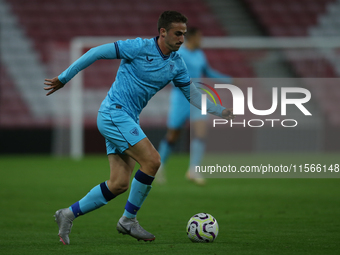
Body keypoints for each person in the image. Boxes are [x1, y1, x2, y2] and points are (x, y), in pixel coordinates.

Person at [44, 11, 233, 245]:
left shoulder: (177, 64)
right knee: (152, 161)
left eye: (184, 34)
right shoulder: (137, 47)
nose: (182, 39)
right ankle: (128, 220)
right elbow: (95, 52)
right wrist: (63, 78)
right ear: (162, 32)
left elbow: (192, 94)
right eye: (177, 33)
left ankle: (67, 214)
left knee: (119, 183)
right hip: (115, 112)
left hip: (127, 118)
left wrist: (219, 110)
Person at [157, 27, 232, 185]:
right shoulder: (179, 54)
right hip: (180, 98)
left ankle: (194, 170)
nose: (201, 41)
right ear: (191, 38)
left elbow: (209, 72)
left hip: (197, 99)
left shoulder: (200, 54)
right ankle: (159, 166)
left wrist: (229, 80)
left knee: (200, 132)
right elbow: (169, 73)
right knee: (173, 135)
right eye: (199, 37)